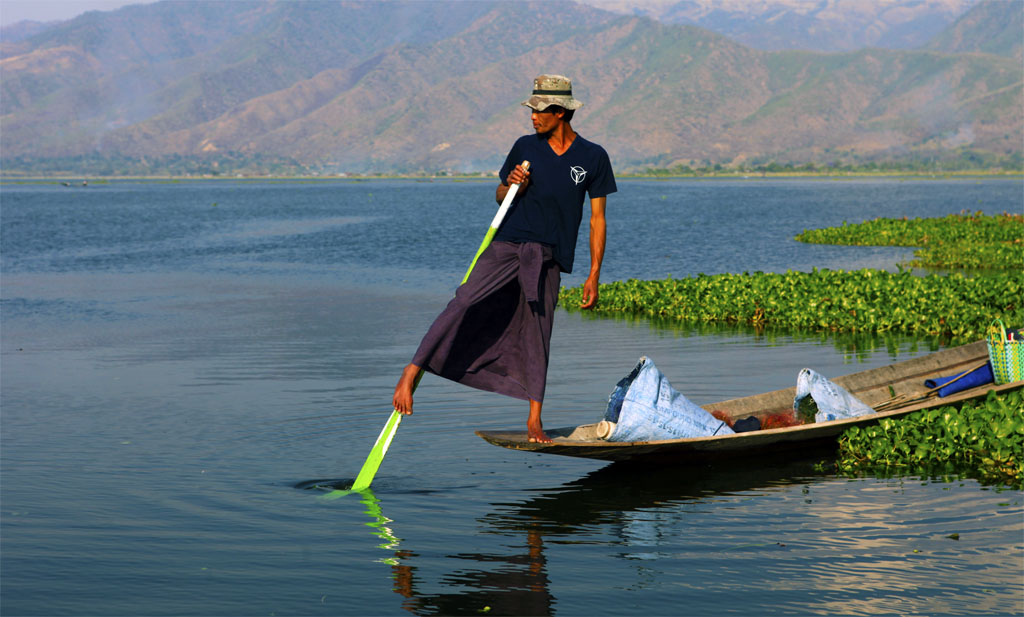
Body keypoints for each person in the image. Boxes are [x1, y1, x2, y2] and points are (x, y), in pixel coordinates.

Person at [393, 74, 616, 443]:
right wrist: (511, 185)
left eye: (540, 111)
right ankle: (412, 369)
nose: (532, 117)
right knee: (463, 300)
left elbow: (597, 219)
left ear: (560, 112)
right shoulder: (524, 147)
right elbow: (500, 195)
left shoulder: (593, 157)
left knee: (538, 334)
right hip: (507, 245)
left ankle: (534, 420)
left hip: (549, 256)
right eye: (531, 110)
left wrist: (594, 274)